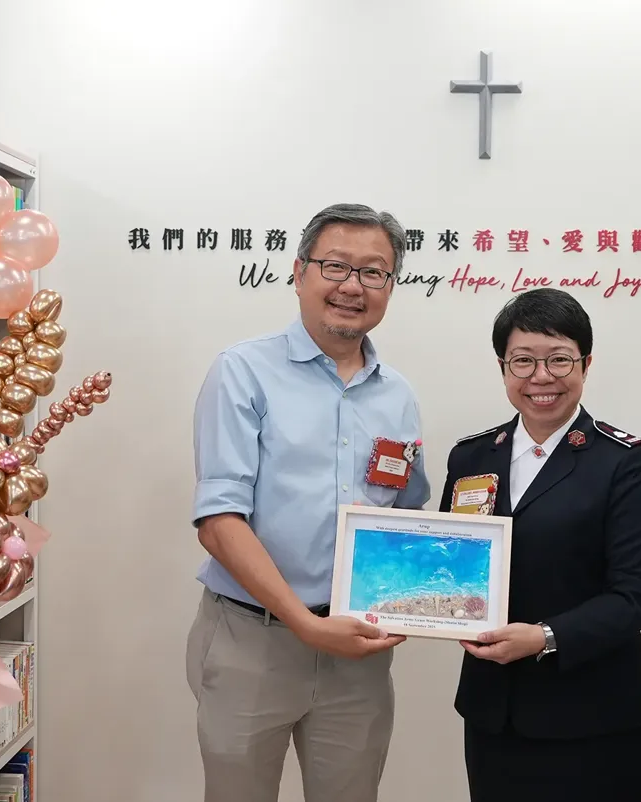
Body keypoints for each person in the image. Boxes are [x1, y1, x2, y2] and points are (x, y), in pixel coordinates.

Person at [186, 203, 431, 802]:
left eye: (374, 272)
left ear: (391, 287)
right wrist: (303, 623)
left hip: (357, 649)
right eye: (336, 267)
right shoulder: (243, 371)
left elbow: (402, 515)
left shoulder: (397, 394)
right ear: (298, 273)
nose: (353, 286)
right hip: (254, 638)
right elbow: (219, 522)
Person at [440, 288, 641, 802]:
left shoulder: (622, 462)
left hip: (593, 713)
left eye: (559, 359)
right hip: (493, 712)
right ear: (503, 367)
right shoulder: (472, 456)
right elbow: (451, 562)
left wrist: (543, 637)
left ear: (585, 364)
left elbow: (637, 594)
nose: (540, 377)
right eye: (523, 361)